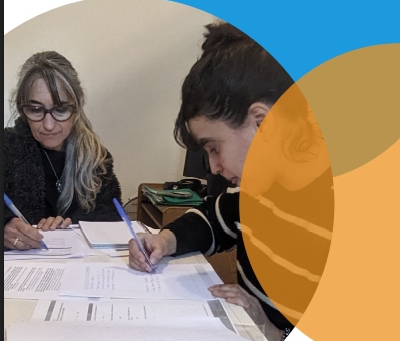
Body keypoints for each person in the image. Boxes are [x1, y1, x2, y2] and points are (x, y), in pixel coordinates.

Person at [128, 22, 334, 341]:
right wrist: (165, 240)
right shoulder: (255, 192)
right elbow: (213, 219)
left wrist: (271, 330)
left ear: (262, 123)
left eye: (214, 148)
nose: (213, 167)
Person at [4, 51, 122, 251]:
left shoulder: (97, 159)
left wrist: (74, 227)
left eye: (60, 110)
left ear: (77, 107)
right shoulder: (7, 148)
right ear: (23, 109)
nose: (49, 125)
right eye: (36, 110)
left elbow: (111, 221)